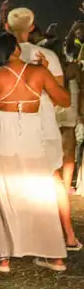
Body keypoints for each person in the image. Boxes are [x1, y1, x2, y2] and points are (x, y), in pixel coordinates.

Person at [0, 33, 72, 272]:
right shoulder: (39, 72)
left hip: (1, 130)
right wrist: (46, 75)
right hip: (30, 130)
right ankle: (54, 256)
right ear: (16, 49)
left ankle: (4, 258)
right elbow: (64, 100)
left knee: (3, 192)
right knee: (39, 191)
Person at [7, 8, 82, 251]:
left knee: (16, 179)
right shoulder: (47, 55)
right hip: (44, 123)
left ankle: (23, 237)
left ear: (7, 27)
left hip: (14, 122)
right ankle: (68, 234)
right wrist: (45, 73)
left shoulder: (0, 54)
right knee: (54, 178)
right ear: (32, 28)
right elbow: (60, 97)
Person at [56, 41, 82, 196]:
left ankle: (55, 183)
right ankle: (65, 186)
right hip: (70, 102)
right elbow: (81, 85)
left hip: (53, 102)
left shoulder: (45, 65)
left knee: (51, 146)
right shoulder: (72, 67)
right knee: (69, 148)